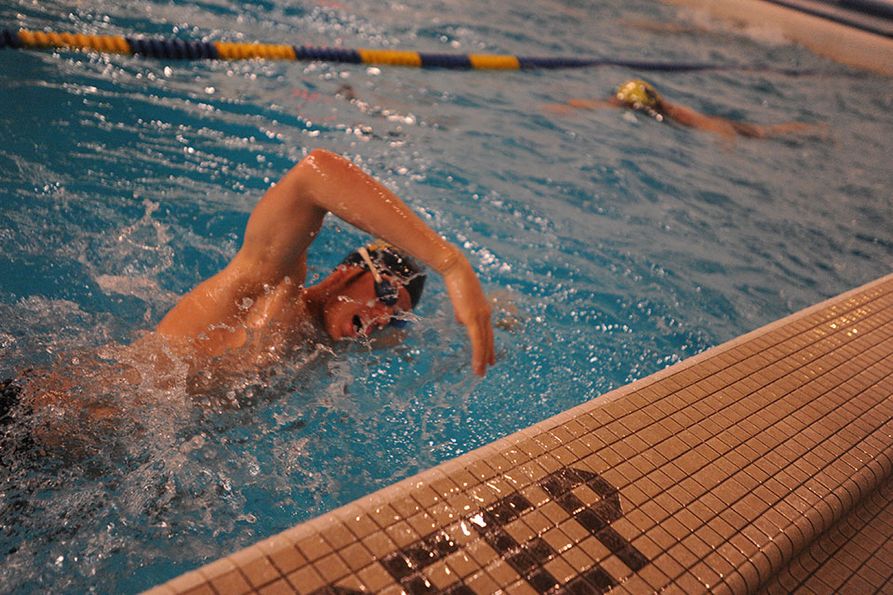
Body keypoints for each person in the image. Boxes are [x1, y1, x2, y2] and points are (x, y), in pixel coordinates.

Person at [3, 149, 495, 448]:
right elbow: (314, 175)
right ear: (349, 273)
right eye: (385, 293)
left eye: (397, 319)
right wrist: (451, 264)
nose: (383, 318)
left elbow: (431, 335)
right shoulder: (271, 288)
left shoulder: (336, 344)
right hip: (38, 421)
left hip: (88, 460)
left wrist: (495, 314)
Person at [546, 79, 820, 139]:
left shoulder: (680, 115)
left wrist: (726, 142)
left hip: (728, 126)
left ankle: (808, 129)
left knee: (765, 133)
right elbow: (604, 105)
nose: (616, 105)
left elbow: (718, 127)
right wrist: (570, 107)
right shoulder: (642, 105)